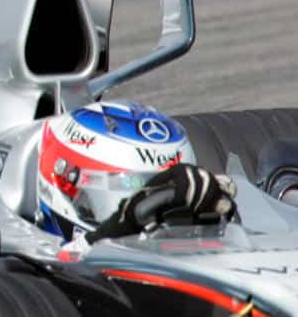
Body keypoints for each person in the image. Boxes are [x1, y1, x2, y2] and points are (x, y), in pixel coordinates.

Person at [33, 101, 236, 246]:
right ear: (65, 185)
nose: (156, 224)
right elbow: (74, 256)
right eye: (128, 185)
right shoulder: (36, 266)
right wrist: (128, 222)